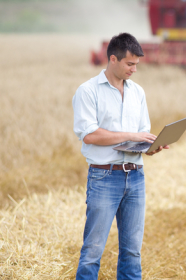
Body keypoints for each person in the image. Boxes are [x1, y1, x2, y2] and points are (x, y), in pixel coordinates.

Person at [72, 33, 168, 280]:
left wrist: (151, 146)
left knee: (132, 252)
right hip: (104, 177)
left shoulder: (138, 92)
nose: (134, 69)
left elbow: (141, 133)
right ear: (112, 59)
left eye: (136, 64)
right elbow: (90, 135)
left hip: (136, 177)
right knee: (93, 251)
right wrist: (133, 136)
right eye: (129, 64)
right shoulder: (87, 91)